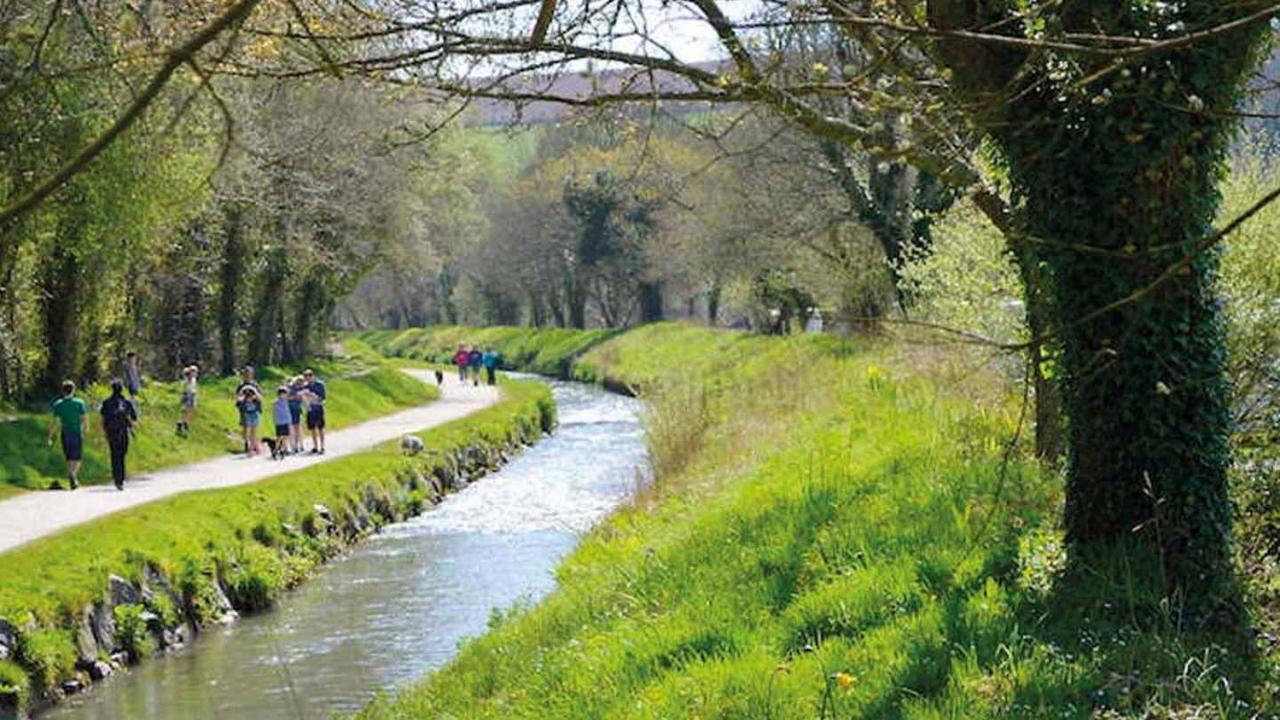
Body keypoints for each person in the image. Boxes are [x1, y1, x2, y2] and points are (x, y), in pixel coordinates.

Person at [47, 380, 89, 490]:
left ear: (63, 391)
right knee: (77, 457)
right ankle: (73, 475)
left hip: (65, 433)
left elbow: (55, 422)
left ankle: (72, 476)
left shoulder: (58, 404)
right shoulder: (79, 403)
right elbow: (84, 419)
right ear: (73, 390)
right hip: (76, 432)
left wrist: (50, 436)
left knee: (69, 456)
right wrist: (85, 431)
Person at [100, 379, 138, 490]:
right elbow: (134, 418)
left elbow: (103, 418)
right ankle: (120, 477)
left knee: (114, 455)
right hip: (123, 431)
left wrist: (103, 432)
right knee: (122, 454)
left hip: (111, 432)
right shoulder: (126, 402)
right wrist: (132, 425)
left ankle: (117, 478)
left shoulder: (106, 402)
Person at [235, 366, 261, 452]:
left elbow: (260, 396)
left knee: (254, 427)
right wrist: (243, 399)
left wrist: (254, 398)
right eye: (246, 374)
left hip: (254, 409)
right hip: (244, 409)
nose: (248, 375)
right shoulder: (241, 385)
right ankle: (246, 443)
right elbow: (238, 397)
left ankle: (253, 444)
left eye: (249, 374)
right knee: (245, 427)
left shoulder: (255, 385)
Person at [302, 368, 327, 454]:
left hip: (318, 408)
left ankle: (322, 446)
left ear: (312, 376)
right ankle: (315, 446)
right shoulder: (305, 387)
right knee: (312, 428)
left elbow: (323, 398)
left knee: (320, 428)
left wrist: (314, 396)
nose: (307, 379)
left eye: (309, 377)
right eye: (306, 377)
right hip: (310, 409)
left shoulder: (320, 385)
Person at [236, 387, 263, 456]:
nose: (249, 399)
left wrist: (255, 392)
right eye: (247, 397)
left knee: (254, 433)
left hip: (255, 417)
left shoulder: (256, 401)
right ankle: (251, 449)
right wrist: (241, 394)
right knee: (248, 434)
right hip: (248, 418)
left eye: (250, 397)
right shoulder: (243, 403)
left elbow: (260, 398)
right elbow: (238, 402)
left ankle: (255, 448)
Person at [177, 365, 198, 436]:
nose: (195, 374)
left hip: (192, 395)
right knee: (186, 409)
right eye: (194, 372)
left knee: (191, 409)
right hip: (188, 395)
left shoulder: (194, 379)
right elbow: (186, 388)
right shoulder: (187, 380)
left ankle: (185, 422)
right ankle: (182, 422)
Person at [272, 386, 293, 457]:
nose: (283, 395)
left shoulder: (286, 401)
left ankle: (282, 450)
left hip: (286, 421)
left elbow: (290, 394)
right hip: (279, 422)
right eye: (281, 394)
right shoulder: (276, 402)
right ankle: (276, 449)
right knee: (279, 437)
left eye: (284, 394)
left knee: (286, 436)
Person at [287, 376, 306, 455]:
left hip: (297, 410)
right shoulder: (290, 388)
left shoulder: (302, 389)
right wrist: (296, 396)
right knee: (291, 429)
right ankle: (293, 446)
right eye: (299, 381)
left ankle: (298, 445)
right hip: (290, 410)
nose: (301, 383)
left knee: (298, 428)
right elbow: (287, 398)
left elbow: (303, 399)